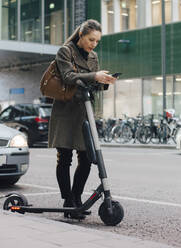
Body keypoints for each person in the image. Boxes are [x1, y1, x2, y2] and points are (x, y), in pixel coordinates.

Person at [48, 19, 116, 219]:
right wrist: (95, 76)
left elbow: (91, 83)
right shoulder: (65, 51)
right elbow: (68, 77)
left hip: (85, 111)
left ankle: (77, 198)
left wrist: (105, 82)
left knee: (86, 158)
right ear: (81, 35)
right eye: (91, 39)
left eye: (97, 41)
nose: (93, 44)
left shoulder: (93, 56)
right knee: (65, 159)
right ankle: (68, 201)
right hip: (65, 111)